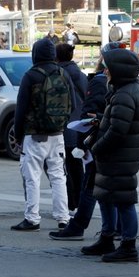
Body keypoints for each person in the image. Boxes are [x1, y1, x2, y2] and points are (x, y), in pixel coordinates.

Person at [49, 43, 121, 242]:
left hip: (96, 139)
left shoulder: (99, 81)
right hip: (119, 144)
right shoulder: (131, 82)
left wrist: (83, 142)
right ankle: (117, 229)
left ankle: (80, 226)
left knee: (90, 185)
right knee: (113, 187)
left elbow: (89, 111)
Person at [86, 48, 139, 263]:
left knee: (123, 200)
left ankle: (128, 246)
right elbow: (117, 121)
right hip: (118, 155)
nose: (104, 71)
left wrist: (96, 147)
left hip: (120, 155)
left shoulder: (125, 93)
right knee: (106, 195)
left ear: (118, 70)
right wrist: (102, 119)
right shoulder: (125, 90)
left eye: (108, 67)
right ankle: (107, 237)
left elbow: (118, 131)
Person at [11, 38, 72, 231]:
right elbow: (74, 104)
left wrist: (18, 134)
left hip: (34, 135)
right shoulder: (63, 73)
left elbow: (20, 109)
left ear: (35, 54)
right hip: (58, 134)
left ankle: (32, 218)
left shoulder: (31, 76)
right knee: (58, 176)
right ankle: (63, 218)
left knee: (32, 177)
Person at [56, 43, 88, 212]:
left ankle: (71, 203)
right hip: (79, 127)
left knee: (64, 169)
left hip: (64, 126)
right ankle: (81, 202)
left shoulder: (58, 75)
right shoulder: (81, 75)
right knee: (77, 167)